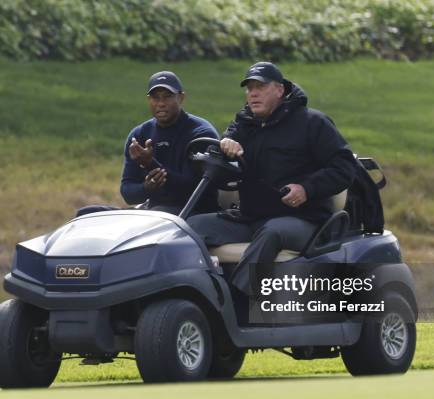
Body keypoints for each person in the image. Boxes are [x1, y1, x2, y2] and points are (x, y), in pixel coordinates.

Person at [188, 62, 357, 295]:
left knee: (272, 232)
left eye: (260, 87)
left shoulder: (313, 123)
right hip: (251, 217)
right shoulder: (244, 123)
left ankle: (238, 302)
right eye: (249, 89)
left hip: (303, 219)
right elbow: (223, 153)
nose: (253, 93)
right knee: (191, 228)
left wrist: (307, 189)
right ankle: (191, 292)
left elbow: (345, 167)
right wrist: (225, 145)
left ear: (279, 90)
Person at [119, 71, 220, 216]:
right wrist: (146, 189)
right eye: (155, 97)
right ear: (149, 100)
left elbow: (194, 191)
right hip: (154, 212)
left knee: (157, 214)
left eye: (168, 97)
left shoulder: (201, 133)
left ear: (181, 97)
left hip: (194, 213)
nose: (161, 103)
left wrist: (150, 164)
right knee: (88, 213)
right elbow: (128, 193)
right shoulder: (139, 135)